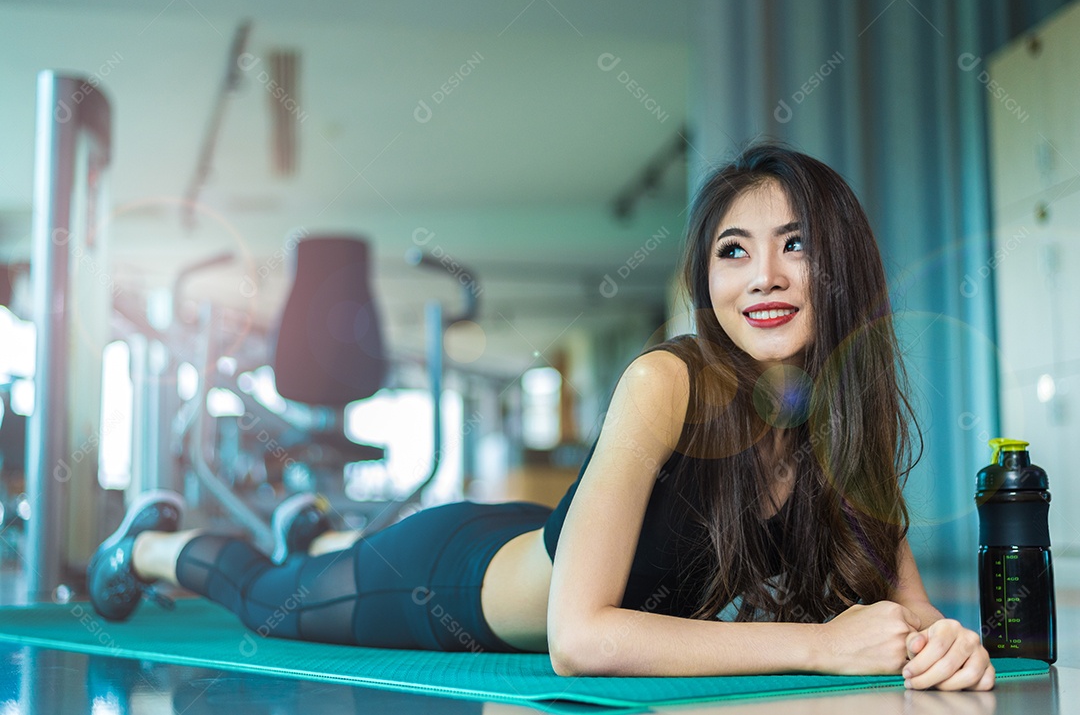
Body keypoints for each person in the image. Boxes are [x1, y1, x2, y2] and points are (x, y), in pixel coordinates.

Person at [87, 143, 993, 691]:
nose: (762, 275)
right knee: (273, 602)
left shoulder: (841, 430)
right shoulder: (666, 381)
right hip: (447, 584)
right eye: (733, 250)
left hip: (539, 546)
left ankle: (314, 525)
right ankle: (152, 545)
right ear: (705, 280)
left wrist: (946, 645)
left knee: (308, 562)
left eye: (794, 244)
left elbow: (909, 618)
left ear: (842, 263)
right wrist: (821, 647)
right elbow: (580, 638)